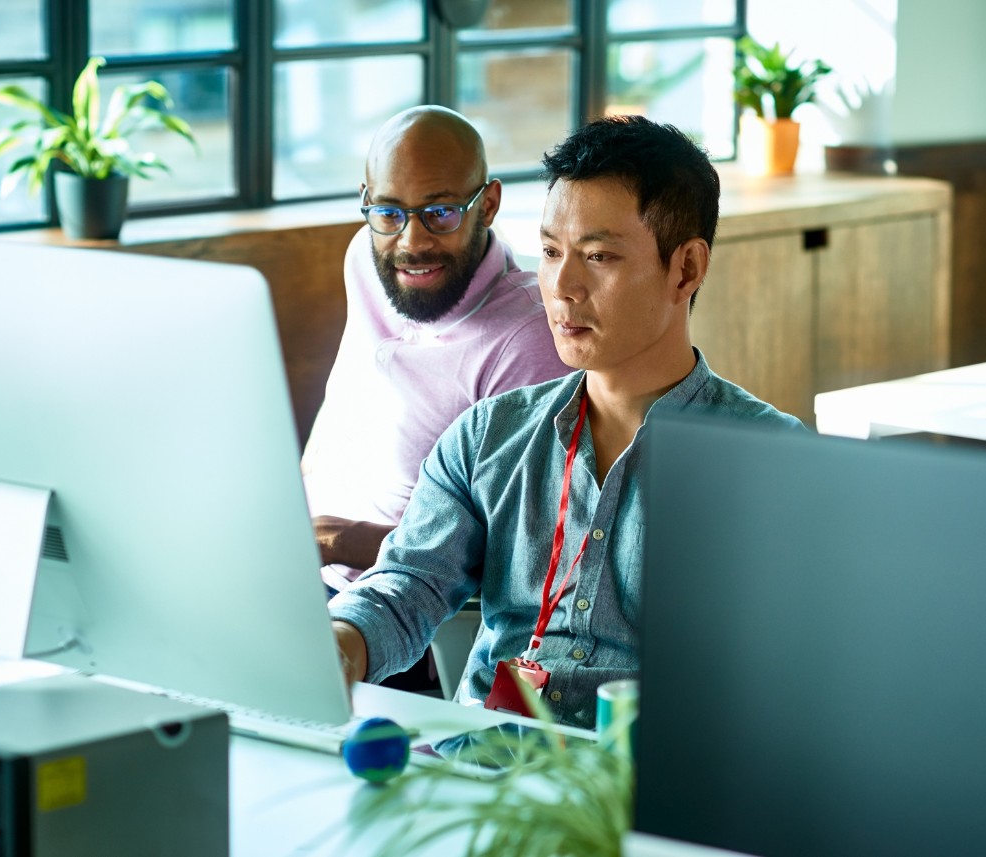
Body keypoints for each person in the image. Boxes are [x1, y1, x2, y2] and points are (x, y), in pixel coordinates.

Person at [328, 115, 805, 730]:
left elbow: (782, 677)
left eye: (599, 256)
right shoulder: (487, 437)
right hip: (486, 769)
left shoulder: (771, 460)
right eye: (551, 252)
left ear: (685, 269)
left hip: (647, 792)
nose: (562, 286)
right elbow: (409, 584)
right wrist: (341, 641)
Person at [301, 105, 569, 594]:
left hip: (403, 611)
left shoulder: (528, 338)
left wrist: (338, 540)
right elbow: (342, 404)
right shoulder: (365, 256)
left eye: (439, 212)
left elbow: (518, 553)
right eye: (388, 212)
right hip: (301, 567)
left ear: (487, 205)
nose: (411, 241)